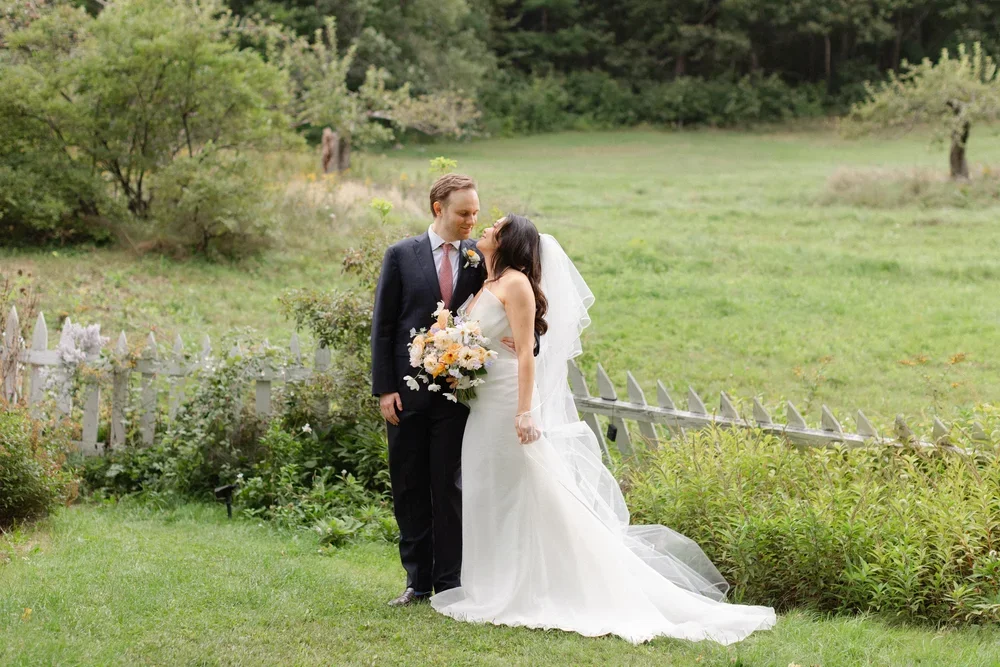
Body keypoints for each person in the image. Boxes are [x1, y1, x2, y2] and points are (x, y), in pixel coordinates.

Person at [429, 214, 777, 644]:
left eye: (494, 227)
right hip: (482, 406)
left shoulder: (516, 283)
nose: (485, 229)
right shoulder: (487, 281)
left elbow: (525, 354)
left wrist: (524, 412)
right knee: (486, 487)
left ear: (506, 241)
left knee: (521, 490)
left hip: (506, 405)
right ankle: (491, 582)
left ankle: (533, 585)